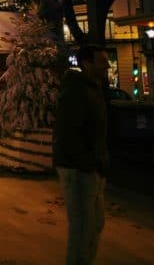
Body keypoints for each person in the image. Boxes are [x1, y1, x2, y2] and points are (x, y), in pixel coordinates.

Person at [53, 45, 110, 265]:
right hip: (78, 169)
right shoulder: (76, 91)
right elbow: (67, 133)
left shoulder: (93, 89)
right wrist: (88, 164)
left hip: (90, 166)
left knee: (95, 223)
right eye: (102, 60)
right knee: (83, 227)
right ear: (86, 63)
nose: (106, 64)